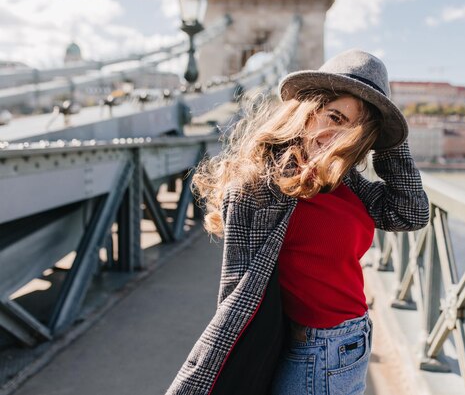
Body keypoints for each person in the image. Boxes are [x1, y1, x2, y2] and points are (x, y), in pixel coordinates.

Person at [164, 49, 430, 395]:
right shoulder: (259, 189)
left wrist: (390, 142)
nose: (341, 137)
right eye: (335, 117)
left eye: (358, 130)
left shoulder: (340, 177)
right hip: (319, 352)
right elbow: (237, 295)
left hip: (354, 338)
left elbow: (410, 213)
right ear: (308, 111)